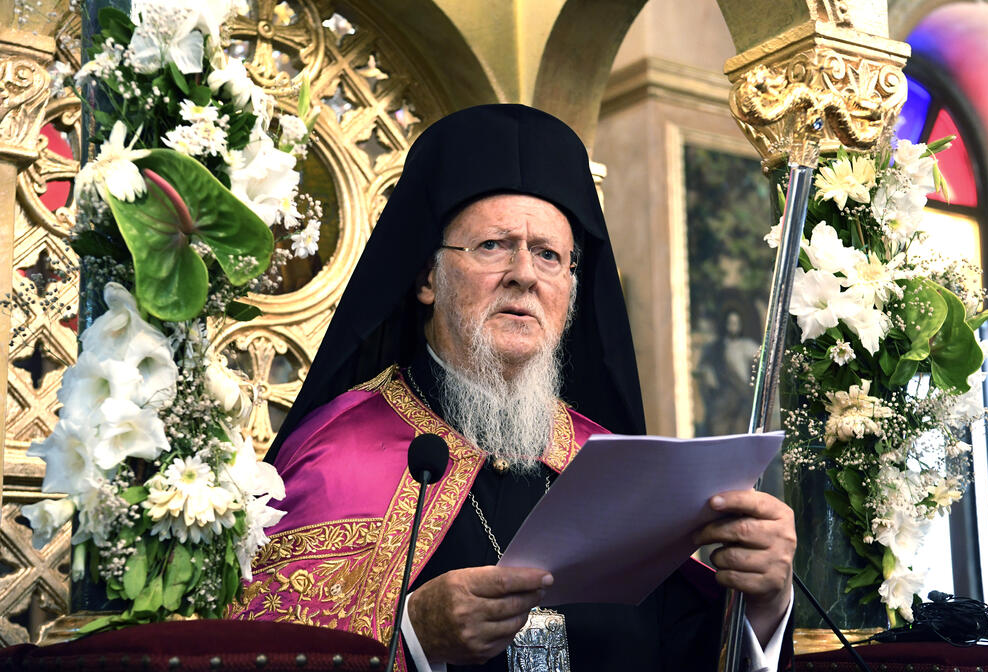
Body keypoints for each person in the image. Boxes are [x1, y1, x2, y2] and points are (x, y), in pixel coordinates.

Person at [228, 105, 796, 672]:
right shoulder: (337, 455)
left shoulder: (610, 466)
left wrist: (763, 606)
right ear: (427, 278)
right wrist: (414, 636)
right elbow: (262, 651)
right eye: (493, 245)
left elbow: (683, 651)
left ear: (571, 290)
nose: (524, 274)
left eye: (549, 255)